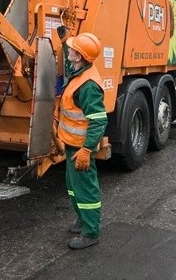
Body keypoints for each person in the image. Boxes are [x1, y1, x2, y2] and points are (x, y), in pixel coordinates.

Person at [56, 28, 108, 250]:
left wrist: (87, 150)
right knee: (73, 186)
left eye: (73, 49)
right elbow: (70, 62)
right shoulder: (79, 69)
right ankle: (82, 219)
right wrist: (66, 39)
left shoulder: (88, 87)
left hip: (81, 148)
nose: (69, 51)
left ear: (80, 56)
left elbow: (98, 121)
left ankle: (90, 232)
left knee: (86, 189)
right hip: (71, 144)